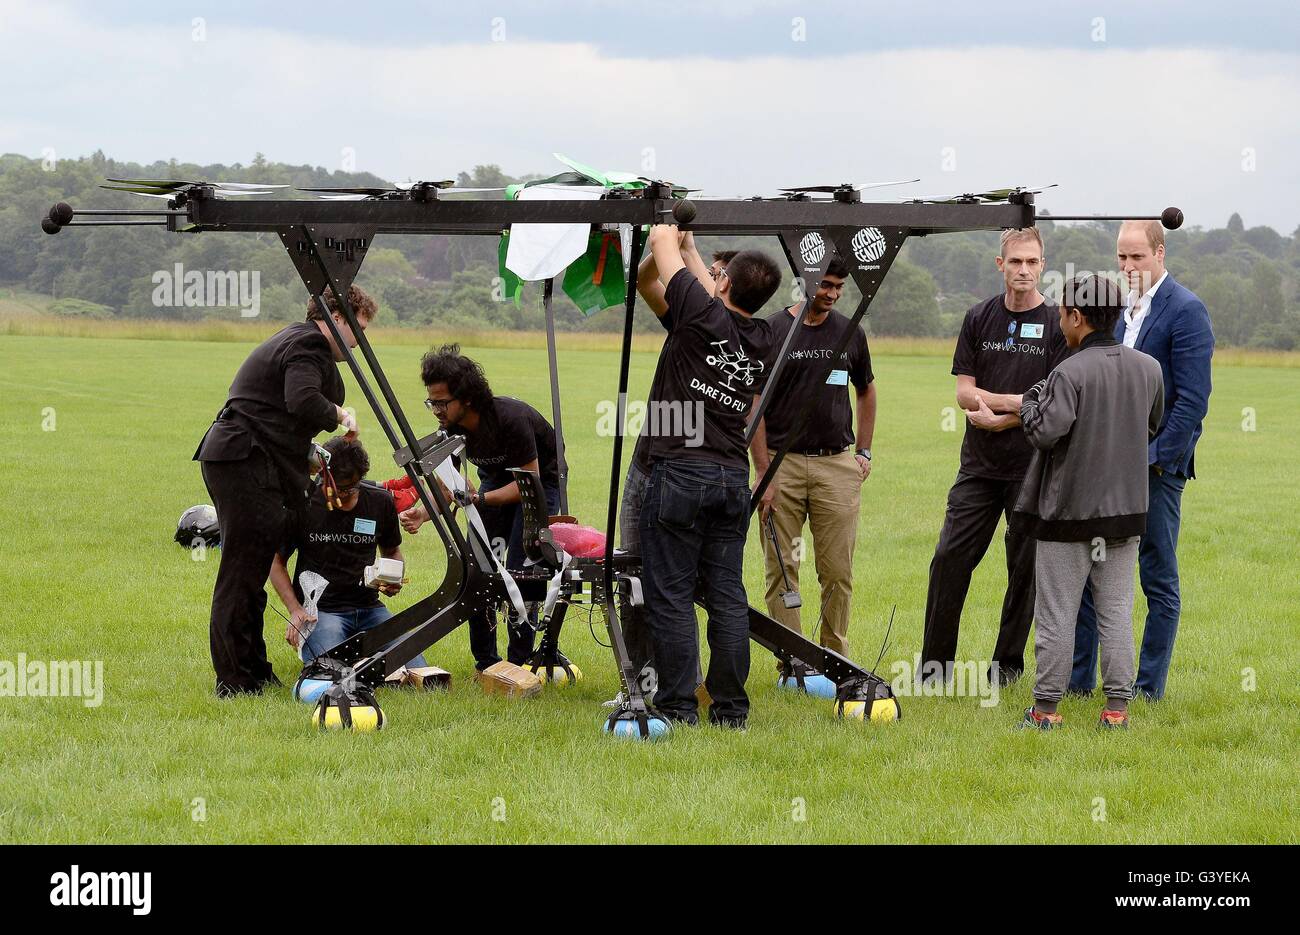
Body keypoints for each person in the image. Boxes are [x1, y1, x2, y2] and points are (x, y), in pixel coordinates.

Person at [193, 285, 371, 697]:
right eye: (358, 327)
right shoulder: (310, 342)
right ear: (336, 317)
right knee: (240, 575)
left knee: (251, 573)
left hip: (246, 458)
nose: (362, 339)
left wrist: (310, 454)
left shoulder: (296, 340)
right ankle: (234, 680)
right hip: (244, 461)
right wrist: (340, 415)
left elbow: (273, 413)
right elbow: (303, 399)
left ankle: (253, 671)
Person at [639, 223, 781, 728]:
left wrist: (664, 230)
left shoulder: (699, 313)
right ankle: (731, 711)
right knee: (726, 596)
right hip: (729, 477)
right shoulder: (763, 337)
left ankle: (678, 708)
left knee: (672, 594)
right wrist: (693, 249)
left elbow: (660, 254)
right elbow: (706, 285)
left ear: (722, 286)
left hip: (680, 471)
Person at [1012, 275, 1164, 729]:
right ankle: (1117, 711)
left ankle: (1046, 712)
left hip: (1068, 515)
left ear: (1077, 317)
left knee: (1057, 614)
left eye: (1062, 314)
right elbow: (1150, 428)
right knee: (1116, 611)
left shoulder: (1069, 372)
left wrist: (1028, 403)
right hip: (1126, 514)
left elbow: (1044, 432)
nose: (1059, 322)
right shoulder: (1149, 368)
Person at [1070, 221, 1214, 701]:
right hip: (1106, 465)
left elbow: (1191, 403)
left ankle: (1147, 688)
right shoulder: (1117, 313)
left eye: (1137, 257)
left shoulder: (1187, 310)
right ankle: (1077, 682)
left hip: (1156, 471)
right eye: (1121, 258)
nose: (1128, 267)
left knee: (1157, 576)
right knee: (1092, 571)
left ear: (1159, 252)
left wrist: (1150, 459)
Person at [922, 228, 1069, 686]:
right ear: (999, 264)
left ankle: (1006, 667)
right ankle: (935, 668)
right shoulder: (978, 317)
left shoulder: (1056, 324)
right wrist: (1017, 404)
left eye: (1031, 262)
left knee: (1023, 570)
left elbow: (1051, 401)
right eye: (1015, 262)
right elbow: (964, 391)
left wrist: (1002, 414)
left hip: (1032, 468)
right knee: (949, 559)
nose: (1023, 270)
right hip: (978, 468)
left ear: (1043, 264)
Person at [400, 344, 561, 671]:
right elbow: (451, 484)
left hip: (537, 485)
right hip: (492, 486)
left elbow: (527, 482)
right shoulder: (452, 429)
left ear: (467, 398)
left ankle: (519, 664)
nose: (436, 410)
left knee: (523, 572)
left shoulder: (510, 418)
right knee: (478, 569)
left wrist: (482, 500)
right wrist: (423, 514)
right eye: (432, 401)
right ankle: (486, 663)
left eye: (442, 402)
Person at [614, 234, 724, 704]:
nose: (708, 280)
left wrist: (673, 242)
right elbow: (642, 281)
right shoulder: (689, 320)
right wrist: (676, 249)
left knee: (675, 584)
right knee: (634, 576)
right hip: (648, 462)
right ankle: (639, 681)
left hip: (679, 471)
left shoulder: (716, 334)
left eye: (718, 275)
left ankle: (686, 683)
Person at [751, 255, 876, 658]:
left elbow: (867, 390)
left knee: (837, 571)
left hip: (836, 464)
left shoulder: (850, 332)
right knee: (783, 569)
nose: (833, 294)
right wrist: (763, 471)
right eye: (826, 284)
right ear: (804, 281)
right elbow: (755, 403)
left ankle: (834, 658)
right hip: (780, 464)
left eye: (839, 286)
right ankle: (793, 662)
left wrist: (864, 451)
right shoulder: (772, 330)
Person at [269, 436, 426, 667]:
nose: (342, 495)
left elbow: (391, 551)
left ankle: (363, 654)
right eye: (335, 487)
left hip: (370, 609)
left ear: (361, 477)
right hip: (322, 612)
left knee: (417, 671)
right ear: (322, 475)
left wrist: (393, 578)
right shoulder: (303, 503)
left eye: (350, 487)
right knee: (329, 673)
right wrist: (295, 610)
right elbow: (276, 562)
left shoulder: (379, 501)